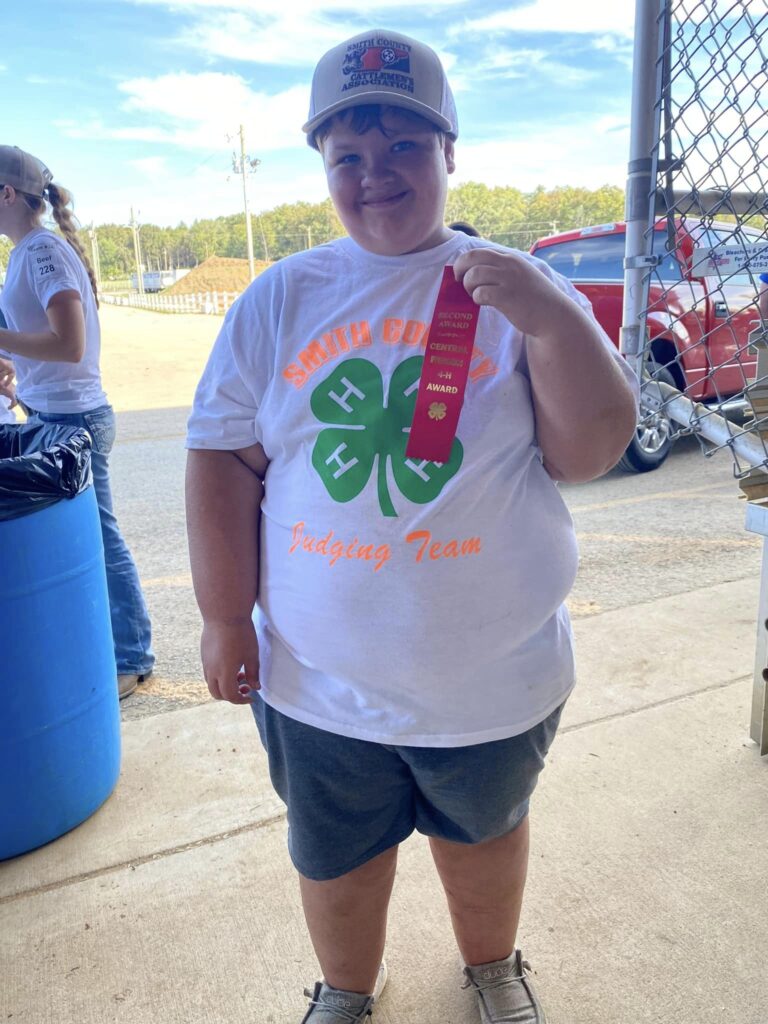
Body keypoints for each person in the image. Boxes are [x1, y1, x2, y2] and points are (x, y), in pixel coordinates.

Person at [185, 29, 638, 1024]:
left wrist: (555, 322)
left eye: (402, 149)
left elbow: (593, 449)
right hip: (318, 683)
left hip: (493, 679)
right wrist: (224, 617)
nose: (374, 175)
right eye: (348, 155)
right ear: (323, 166)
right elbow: (223, 461)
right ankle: (347, 987)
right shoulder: (280, 298)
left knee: (485, 841)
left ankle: (492, 968)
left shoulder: (511, 283)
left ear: (449, 154)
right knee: (336, 855)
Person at [0, 146, 154, 699]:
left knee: (100, 538)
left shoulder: (42, 251)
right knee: (82, 540)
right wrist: (16, 368)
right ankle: (113, 648)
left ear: (8, 194)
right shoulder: (25, 253)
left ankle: (133, 655)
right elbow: (41, 342)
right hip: (54, 412)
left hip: (76, 419)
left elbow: (69, 344)